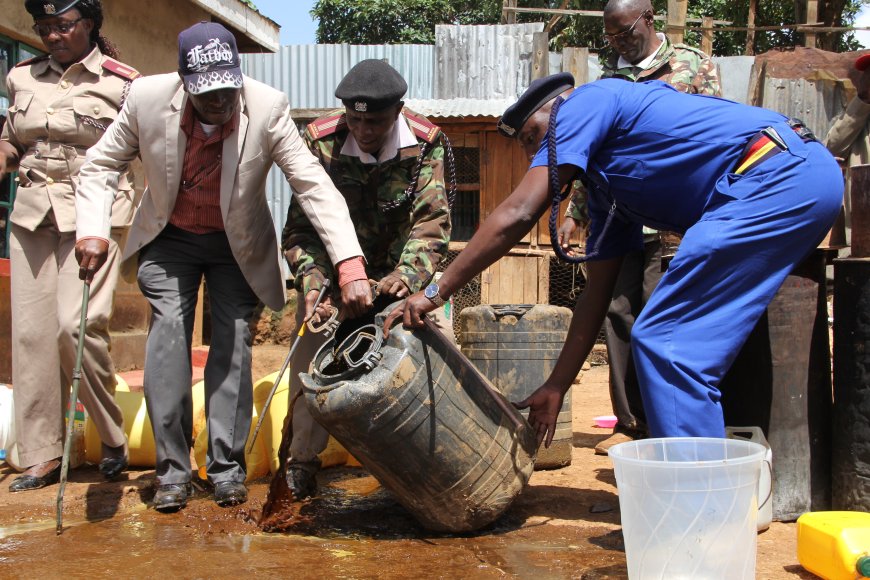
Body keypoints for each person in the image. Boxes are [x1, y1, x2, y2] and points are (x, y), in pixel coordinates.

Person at [385, 73, 843, 447]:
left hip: (775, 174)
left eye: (533, 136)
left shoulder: (588, 100)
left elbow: (519, 212)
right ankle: (698, 492)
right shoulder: (609, 192)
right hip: (784, 182)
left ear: (556, 109)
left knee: (669, 343)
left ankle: (694, 508)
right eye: (524, 146)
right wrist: (556, 386)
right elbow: (596, 296)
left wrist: (436, 290)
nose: (532, 153)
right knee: (677, 342)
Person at [74, 21, 372, 512]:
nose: (219, 102)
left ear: (239, 74)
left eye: (227, 90)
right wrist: (92, 229)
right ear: (184, 83)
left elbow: (312, 184)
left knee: (233, 339)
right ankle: (172, 470)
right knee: (168, 333)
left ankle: (226, 468)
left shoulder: (268, 106)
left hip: (236, 245)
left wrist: (349, 263)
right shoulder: (146, 99)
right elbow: (100, 165)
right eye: (206, 94)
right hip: (169, 237)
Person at [281, 59, 453, 499]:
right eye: (354, 119)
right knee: (307, 363)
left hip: (403, 282)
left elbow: (431, 226)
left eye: (374, 120)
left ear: (397, 111)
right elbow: (302, 229)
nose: (363, 129)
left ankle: (433, 472)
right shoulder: (319, 143)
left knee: (442, 351)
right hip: (339, 286)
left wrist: (405, 276)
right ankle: (298, 467)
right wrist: (315, 285)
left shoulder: (427, 143)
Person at [556, 0, 721, 455]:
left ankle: (663, 423)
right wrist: (577, 211)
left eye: (624, 32)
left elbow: (710, 136)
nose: (617, 42)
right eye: (609, 37)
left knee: (660, 314)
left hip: (673, 218)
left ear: (648, 19)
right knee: (617, 312)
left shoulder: (692, 66)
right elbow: (595, 155)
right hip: (618, 215)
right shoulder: (609, 81)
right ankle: (628, 425)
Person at [0, 0, 139, 492]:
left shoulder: (124, 83)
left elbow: (149, 148)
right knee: (32, 337)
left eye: (63, 25)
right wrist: (4, 150)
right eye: (44, 28)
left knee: (75, 326)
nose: (54, 36)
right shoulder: (21, 78)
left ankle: (112, 436)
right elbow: (13, 138)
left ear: (90, 24)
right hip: (33, 214)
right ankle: (42, 453)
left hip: (95, 215)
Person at [824, 52, 870, 240]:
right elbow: (831, 148)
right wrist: (862, 101)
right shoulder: (860, 114)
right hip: (862, 228)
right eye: (867, 74)